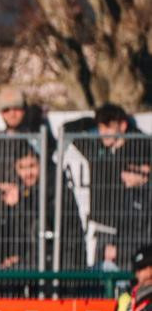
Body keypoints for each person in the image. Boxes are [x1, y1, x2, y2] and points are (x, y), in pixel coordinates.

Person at [64, 104, 152, 271]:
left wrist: (144, 176)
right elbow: (67, 128)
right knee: (99, 278)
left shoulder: (141, 147)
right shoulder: (96, 148)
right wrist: (95, 118)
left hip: (129, 229)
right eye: (100, 127)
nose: (103, 132)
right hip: (102, 227)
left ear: (123, 125)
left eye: (108, 126)